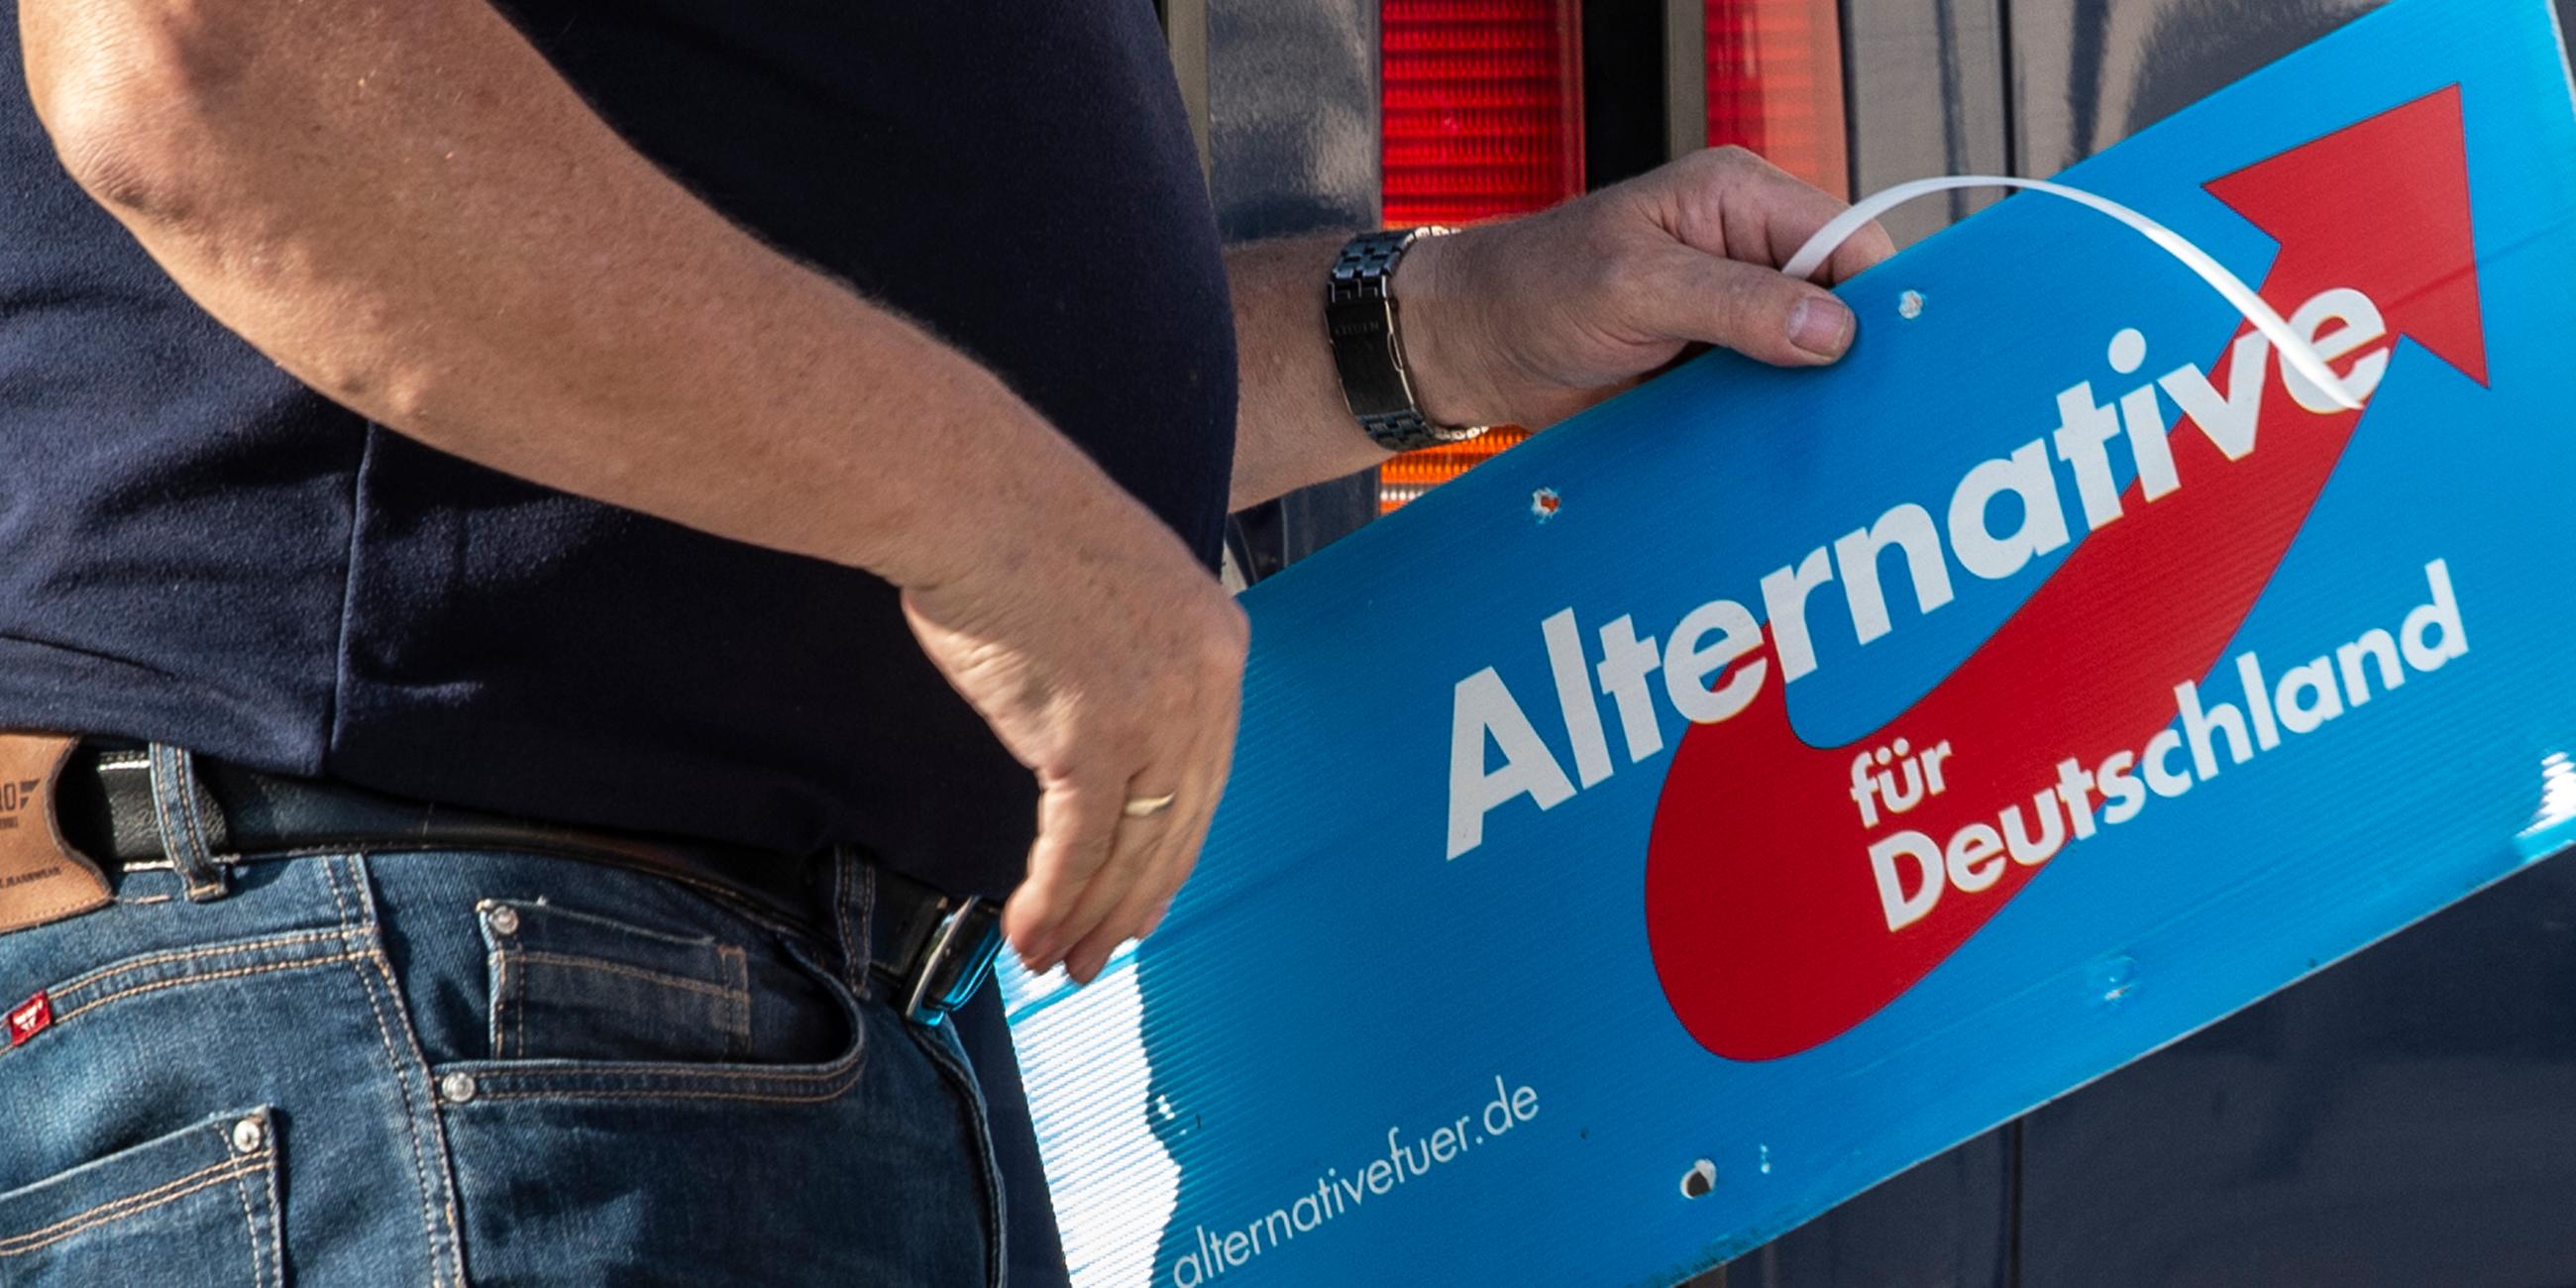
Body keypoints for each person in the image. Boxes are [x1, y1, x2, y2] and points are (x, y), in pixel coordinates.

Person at [0, 1, 1891, 1284]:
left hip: (694, 1031)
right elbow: (210, 68)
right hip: (435, 988)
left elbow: (866, 348)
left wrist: (1448, 326)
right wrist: (997, 522)